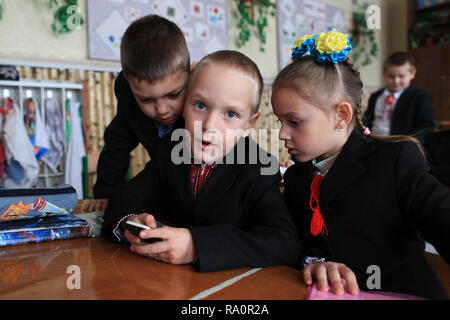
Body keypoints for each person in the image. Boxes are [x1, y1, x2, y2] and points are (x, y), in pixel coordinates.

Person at [271, 30, 450, 299]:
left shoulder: (394, 161)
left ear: (341, 115)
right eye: (279, 122)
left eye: (294, 122)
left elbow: (443, 219)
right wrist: (317, 264)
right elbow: (294, 245)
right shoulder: (297, 178)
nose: (282, 134)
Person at [100, 50, 301, 272]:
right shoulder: (171, 151)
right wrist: (131, 222)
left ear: (248, 125)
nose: (209, 125)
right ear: (184, 106)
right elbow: (125, 195)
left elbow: (284, 242)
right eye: (201, 106)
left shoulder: (259, 168)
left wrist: (197, 245)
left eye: (231, 114)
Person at [83, 15, 190, 212]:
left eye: (173, 95)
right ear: (129, 82)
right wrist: (106, 193)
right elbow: (116, 146)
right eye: (146, 100)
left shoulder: (203, 94)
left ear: (189, 75)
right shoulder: (127, 97)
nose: (162, 109)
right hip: (163, 189)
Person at [363, 51, 435, 144]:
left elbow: (427, 126)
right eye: (391, 77)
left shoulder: (421, 97)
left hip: (402, 146)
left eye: (401, 76)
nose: (396, 81)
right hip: (373, 142)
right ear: (384, 74)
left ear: (412, 74)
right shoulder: (375, 96)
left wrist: (408, 142)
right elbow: (367, 120)